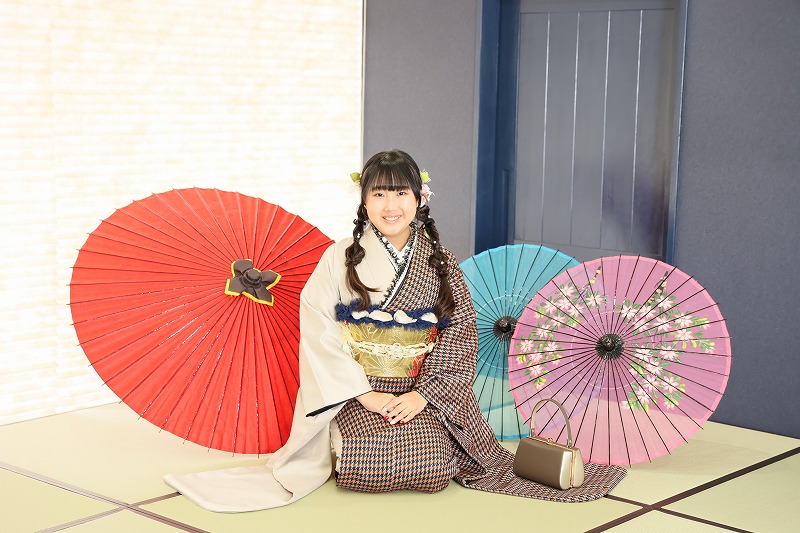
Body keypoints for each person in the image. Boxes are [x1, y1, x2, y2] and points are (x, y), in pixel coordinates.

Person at [164, 149, 625, 511]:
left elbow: (460, 333)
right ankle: (344, 439)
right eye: (379, 194)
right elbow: (320, 331)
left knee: (432, 464)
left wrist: (423, 396)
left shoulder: (439, 260)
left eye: (401, 193)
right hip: (357, 390)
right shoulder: (339, 257)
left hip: (418, 390)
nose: (390, 205)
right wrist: (365, 394)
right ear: (364, 200)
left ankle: (425, 428)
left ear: (419, 198)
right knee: (368, 461)